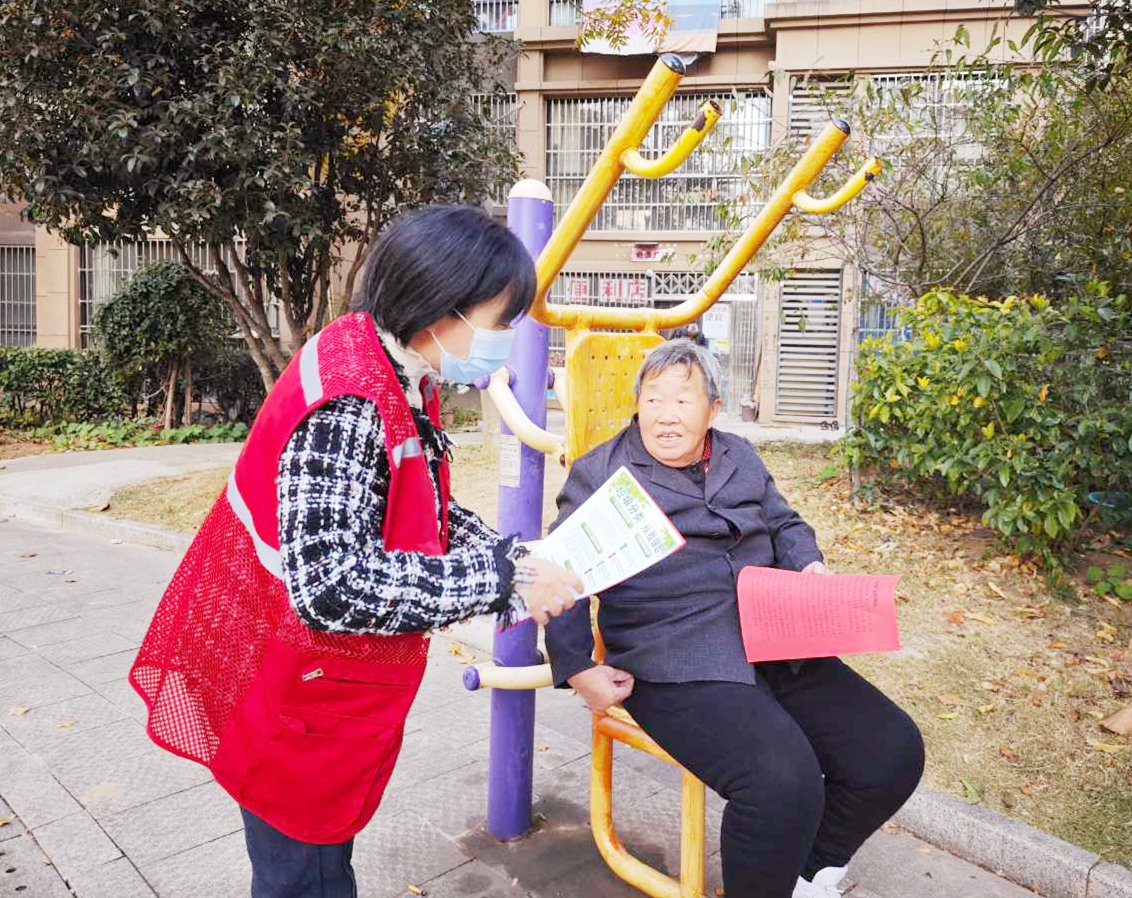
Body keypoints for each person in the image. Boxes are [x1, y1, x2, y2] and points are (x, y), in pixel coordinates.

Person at [129, 206, 581, 898]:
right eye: (499, 322)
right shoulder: (350, 402)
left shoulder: (386, 359)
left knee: (311, 863)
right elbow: (333, 585)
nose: (506, 342)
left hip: (297, 680)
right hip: (288, 686)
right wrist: (502, 579)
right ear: (440, 308)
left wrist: (510, 559)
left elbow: (417, 502)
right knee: (305, 876)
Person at [544, 339, 924, 898]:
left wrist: (807, 562)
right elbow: (561, 573)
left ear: (713, 409)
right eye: (653, 399)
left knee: (891, 751)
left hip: (774, 635)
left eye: (682, 400)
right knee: (781, 784)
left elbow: (785, 523)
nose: (666, 415)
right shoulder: (603, 472)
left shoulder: (738, 455)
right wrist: (579, 670)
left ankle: (807, 875)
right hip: (673, 657)